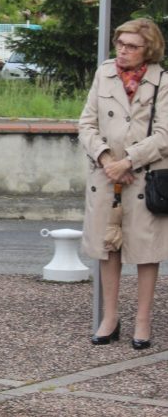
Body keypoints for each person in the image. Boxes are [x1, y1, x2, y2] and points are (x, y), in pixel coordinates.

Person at [80, 17, 168, 350]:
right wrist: (106, 160)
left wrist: (128, 161)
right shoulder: (104, 74)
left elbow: (165, 133)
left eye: (131, 45)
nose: (123, 51)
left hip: (145, 176)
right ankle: (110, 318)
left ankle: (143, 322)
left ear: (149, 49)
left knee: (146, 252)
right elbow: (86, 123)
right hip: (105, 176)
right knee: (108, 246)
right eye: (120, 43)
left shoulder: (163, 80)